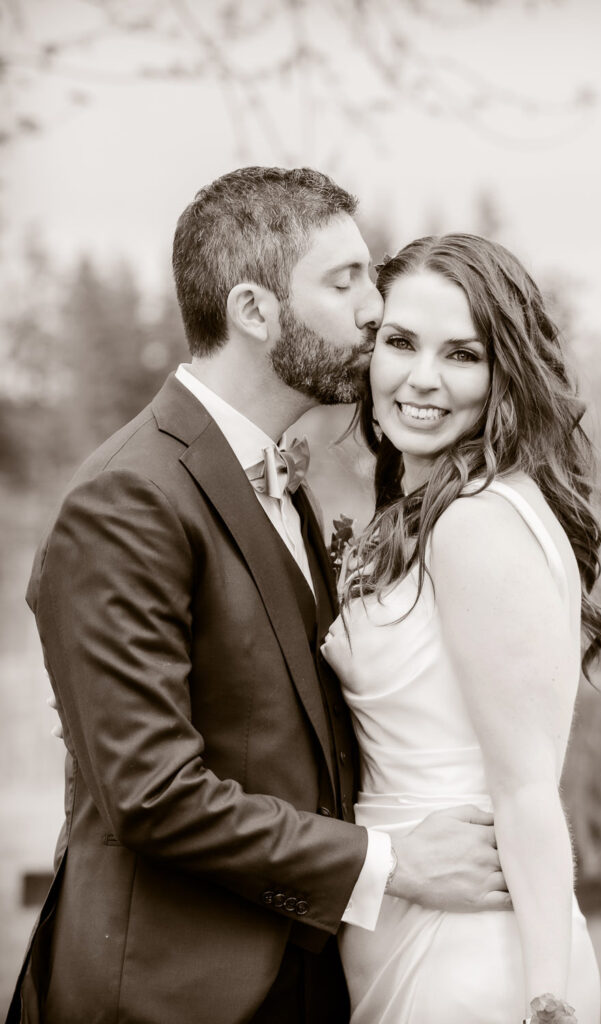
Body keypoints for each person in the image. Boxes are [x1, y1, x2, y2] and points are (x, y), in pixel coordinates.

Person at [6, 171, 509, 1024]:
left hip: (301, 974)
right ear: (253, 309)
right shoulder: (127, 498)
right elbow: (150, 791)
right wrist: (388, 863)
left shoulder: (276, 479)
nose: (372, 310)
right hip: (164, 995)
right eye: (343, 280)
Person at [322, 233, 601, 1023]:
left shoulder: (475, 524)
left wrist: (544, 997)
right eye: (400, 343)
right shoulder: (435, 513)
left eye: (462, 355)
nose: (421, 379)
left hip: (469, 952)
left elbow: (523, 789)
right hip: (406, 919)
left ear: (503, 373)